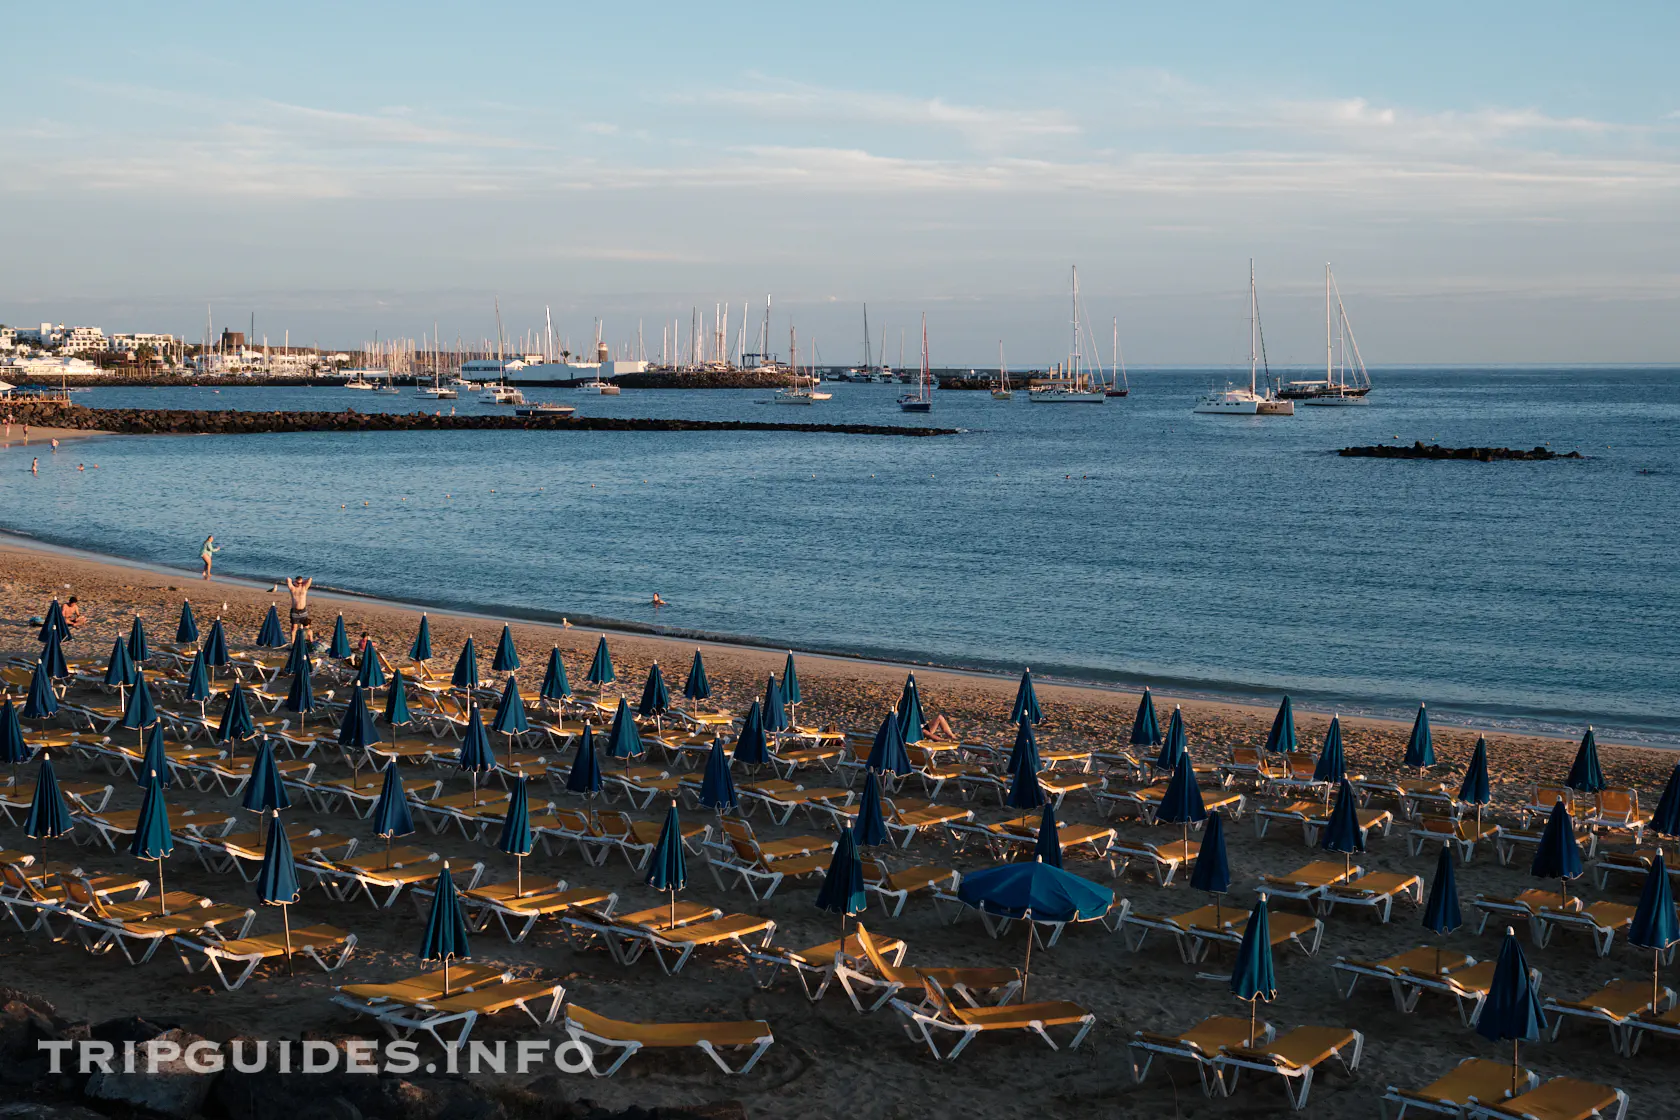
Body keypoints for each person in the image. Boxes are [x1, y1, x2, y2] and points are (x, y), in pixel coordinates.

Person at [286, 576, 313, 642]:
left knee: (306, 627)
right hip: (295, 611)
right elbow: (288, 579)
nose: (299, 584)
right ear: (295, 582)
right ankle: (293, 643)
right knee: (294, 628)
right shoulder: (293, 588)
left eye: (301, 583)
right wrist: (294, 582)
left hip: (303, 610)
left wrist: (302, 582)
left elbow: (310, 579)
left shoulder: (304, 588)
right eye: (298, 583)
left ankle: (305, 641)